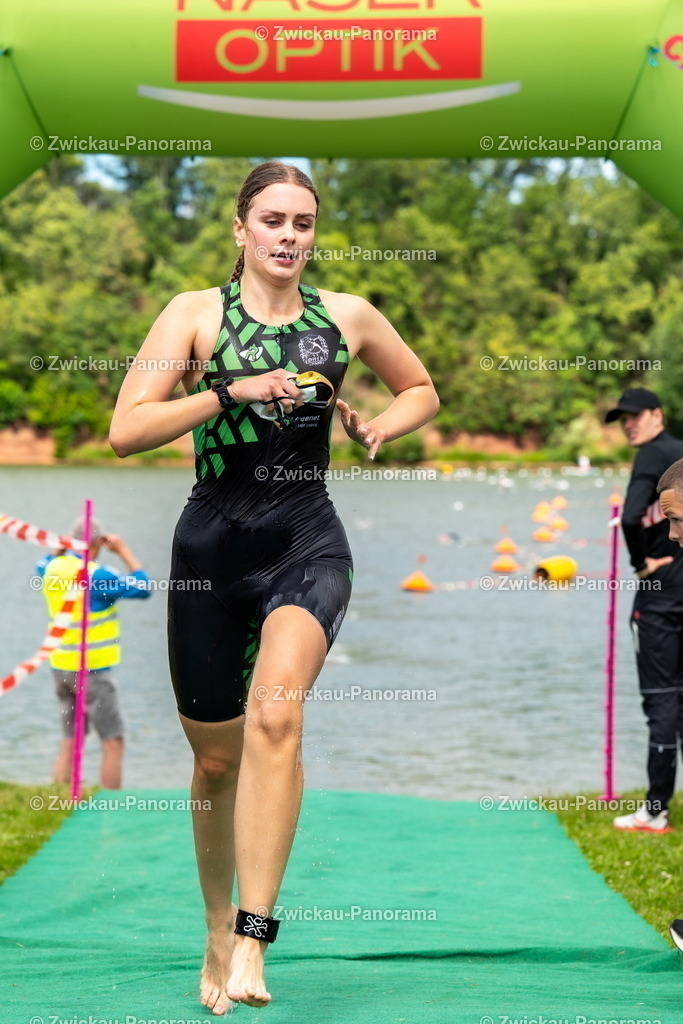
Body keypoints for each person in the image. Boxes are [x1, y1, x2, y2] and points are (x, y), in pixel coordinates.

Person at [109, 160, 439, 1013]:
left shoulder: (348, 316)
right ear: (240, 228)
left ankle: (256, 939)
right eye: (273, 220)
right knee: (215, 761)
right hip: (210, 549)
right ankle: (217, 926)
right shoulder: (192, 315)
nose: (289, 236)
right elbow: (126, 430)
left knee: (277, 714)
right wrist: (227, 391)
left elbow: (421, 387)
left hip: (307, 542)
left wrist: (378, 424)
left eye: (303, 222)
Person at [605, 389, 683, 833]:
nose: (629, 425)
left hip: (659, 596)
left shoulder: (653, 457)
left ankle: (655, 810)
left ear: (658, 414)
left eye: (636, 416)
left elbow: (632, 517)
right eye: (623, 420)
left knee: (660, 700)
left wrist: (640, 564)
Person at [36, 517, 151, 789]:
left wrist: (60, 546)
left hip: (60, 665)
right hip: (92, 670)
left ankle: (58, 800)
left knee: (71, 735)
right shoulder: (97, 575)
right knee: (113, 741)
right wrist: (123, 551)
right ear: (99, 541)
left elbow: (40, 564)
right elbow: (144, 588)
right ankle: (110, 807)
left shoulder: (52, 567)